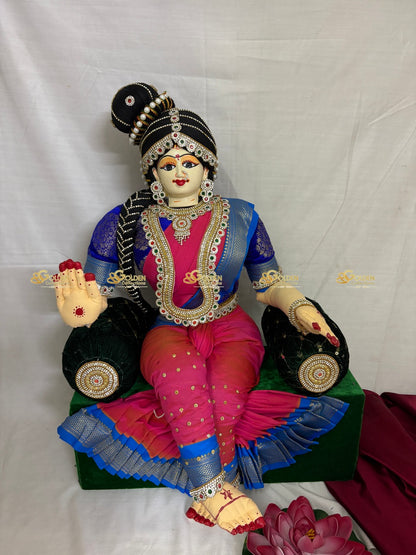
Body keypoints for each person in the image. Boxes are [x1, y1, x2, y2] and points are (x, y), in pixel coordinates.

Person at [54, 82, 347, 535]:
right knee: (181, 376)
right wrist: (82, 311)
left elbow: (269, 281)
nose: (179, 172)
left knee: (225, 391)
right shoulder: (125, 222)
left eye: (189, 162)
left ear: (208, 166)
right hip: (166, 327)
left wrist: (298, 307)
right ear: (152, 171)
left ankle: (209, 489)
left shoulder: (241, 218)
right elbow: (99, 290)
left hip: (231, 325)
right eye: (168, 164)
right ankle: (215, 491)